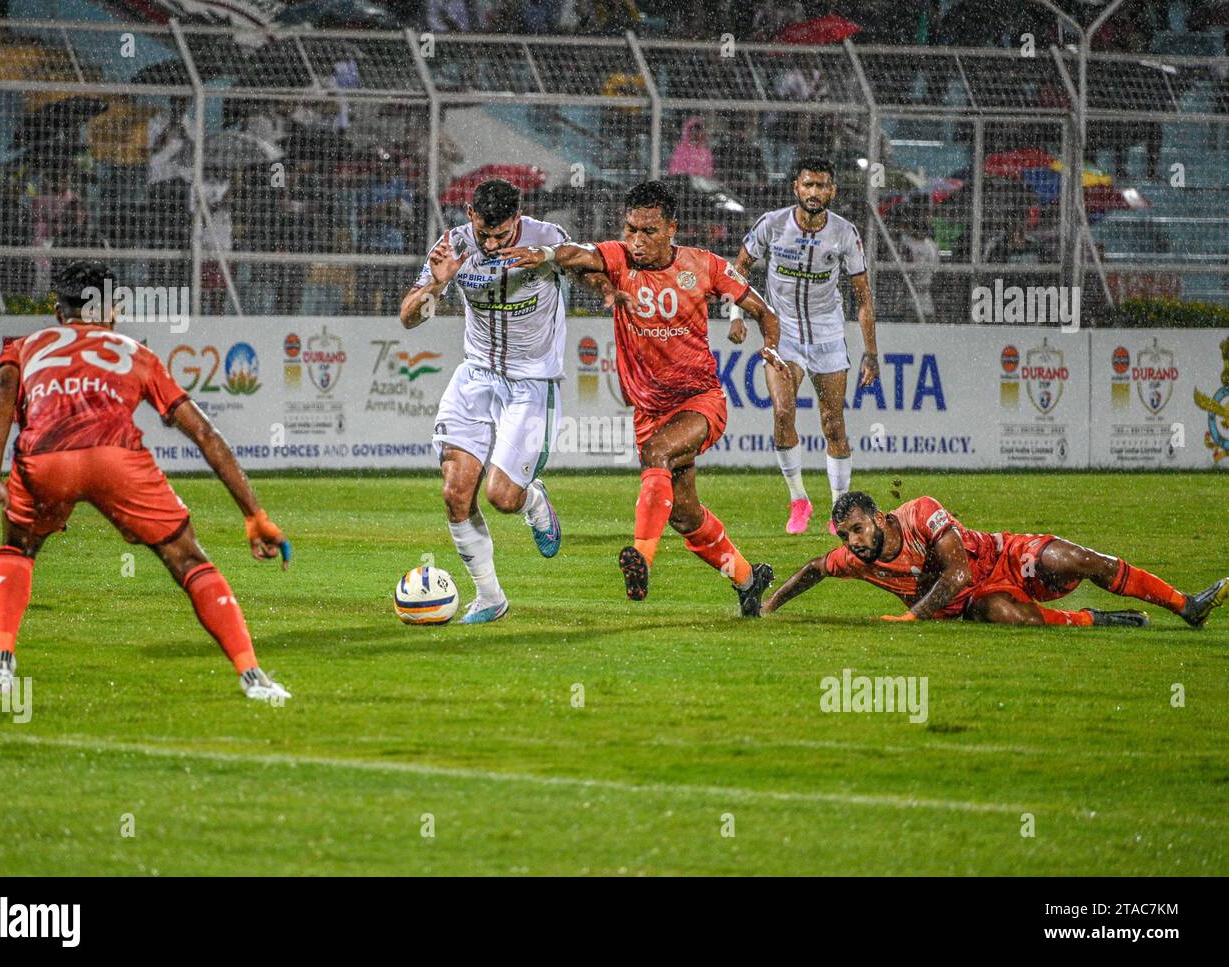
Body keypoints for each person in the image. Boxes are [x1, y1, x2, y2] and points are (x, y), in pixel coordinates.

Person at [0, 260, 292, 701]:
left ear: (59, 313)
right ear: (113, 310)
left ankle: (0, 666)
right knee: (188, 560)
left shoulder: (25, 346)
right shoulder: (135, 353)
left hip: (46, 458)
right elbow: (204, 434)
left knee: (18, 548)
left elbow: (2, 390)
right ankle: (254, 678)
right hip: (116, 458)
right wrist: (254, 515)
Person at [499, 180, 789, 616]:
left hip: (699, 401)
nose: (637, 240)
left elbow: (764, 312)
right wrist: (544, 253)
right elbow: (578, 254)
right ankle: (749, 580)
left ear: (672, 228)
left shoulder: (703, 265)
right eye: (631, 229)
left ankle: (641, 559)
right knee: (684, 515)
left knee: (658, 453)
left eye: (649, 231)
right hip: (649, 412)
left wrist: (770, 347)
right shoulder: (618, 258)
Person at [400, 179, 600, 624]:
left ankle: (534, 502)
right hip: (475, 377)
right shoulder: (453, 245)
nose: (490, 245)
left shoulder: (546, 236)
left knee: (502, 497)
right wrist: (437, 284)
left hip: (533, 383)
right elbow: (409, 318)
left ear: (518, 218)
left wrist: (581, 274)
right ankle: (490, 598)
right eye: (484, 234)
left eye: (502, 235)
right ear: (470, 214)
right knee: (455, 492)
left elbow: (591, 270)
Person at [762, 491, 1229, 628]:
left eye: (858, 530)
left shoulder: (920, 512)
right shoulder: (856, 560)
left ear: (880, 519)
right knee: (1008, 617)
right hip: (975, 601)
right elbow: (813, 569)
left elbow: (959, 571)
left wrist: (913, 615)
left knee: (1076, 559)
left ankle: (1184, 604)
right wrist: (769, 606)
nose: (854, 543)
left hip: (1002, 555)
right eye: (846, 536)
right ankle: (1094, 620)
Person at [730, 158, 880, 536]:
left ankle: (839, 508)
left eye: (821, 186)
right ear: (796, 188)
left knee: (833, 423)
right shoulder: (772, 224)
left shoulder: (844, 233)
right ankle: (799, 499)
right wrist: (736, 315)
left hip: (828, 334)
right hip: (783, 334)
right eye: (808, 185)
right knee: (783, 413)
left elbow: (863, 297)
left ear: (832, 191)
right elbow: (739, 269)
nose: (814, 192)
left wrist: (871, 352)